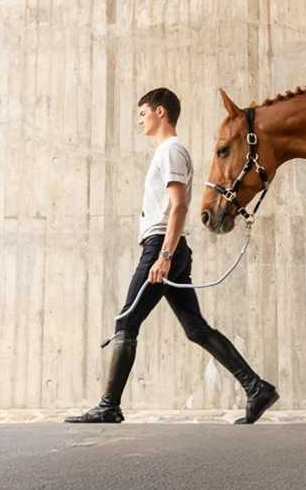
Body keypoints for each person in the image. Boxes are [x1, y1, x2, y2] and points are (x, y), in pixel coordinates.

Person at [66, 88, 279, 424]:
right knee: (196, 328)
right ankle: (257, 388)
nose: (139, 120)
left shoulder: (171, 151)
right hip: (170, 248)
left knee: (127, 321)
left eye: (142, 113)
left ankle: (109, 406)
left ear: (160, 111)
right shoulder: (168, 151)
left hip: (163, 247)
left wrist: (164, 255)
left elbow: (179, 206)